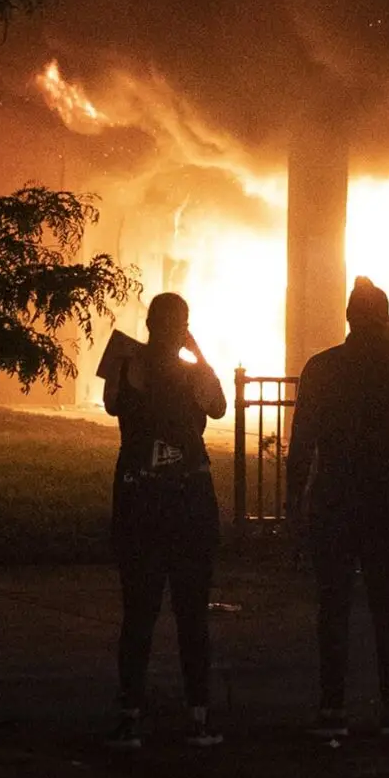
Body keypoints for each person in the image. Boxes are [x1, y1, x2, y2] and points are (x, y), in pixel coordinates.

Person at [287, 276, 389, 739]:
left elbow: (303, 439)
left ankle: (332, 708)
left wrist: (294, 504)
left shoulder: (323, 367)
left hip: (333, 495)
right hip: (381, 495)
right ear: (384, 319)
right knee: (387, 606)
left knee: (333, 607)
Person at [101, 292, 227, 749]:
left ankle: (130, 715)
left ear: (149, 323)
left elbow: (112, 403)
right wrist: (199, 352)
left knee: (138, 614)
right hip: (189, 499)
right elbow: (218, 407)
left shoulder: (125, 367)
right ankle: (198, 717)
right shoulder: (195, 376)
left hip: (138, 498)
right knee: (192, 615)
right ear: (184, 327)